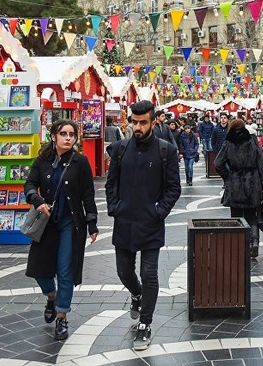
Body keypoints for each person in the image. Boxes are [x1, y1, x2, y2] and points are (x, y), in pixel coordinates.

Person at [105, 100, 181, 351]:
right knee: (124, 272)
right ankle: (136, 295)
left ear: (152, 121)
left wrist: (159, 212)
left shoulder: (165, 150)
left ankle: (145, 324)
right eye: (134, 122)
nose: (137, 127)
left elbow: (173, 188)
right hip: (124, 222)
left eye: (143, 122)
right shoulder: (119, 149)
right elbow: (110, 183)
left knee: (149, 274)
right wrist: (114, 207)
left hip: (150, 223)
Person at [24, 119, 98, 341]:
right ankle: (52, 297)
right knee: (39, 270)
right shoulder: (43, 160)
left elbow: (88, 194)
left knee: (65, 270)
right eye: (63, 133)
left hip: (71, 223)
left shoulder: (80, 162)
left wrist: (92, 223)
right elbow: (28, 184)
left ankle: (62, 316)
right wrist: (37, 200)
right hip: (47, 223)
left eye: (71, 134)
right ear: (53, 136)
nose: (68, 138)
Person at [215, 118, 263, 257]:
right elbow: (261, 163)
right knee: (252, 214)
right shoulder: (252, 142)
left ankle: (240, 244)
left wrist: (227, 176)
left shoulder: (228, 143)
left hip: (235, 182)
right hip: (252, 182)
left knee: (236, 215)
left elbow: (218, 163)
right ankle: (254, 243)